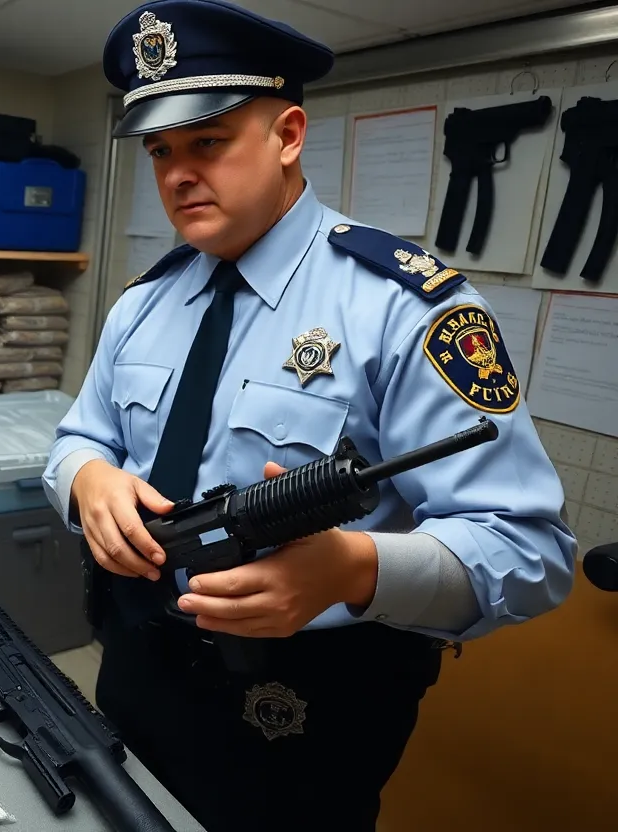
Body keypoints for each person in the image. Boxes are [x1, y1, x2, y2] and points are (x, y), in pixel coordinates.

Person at [41, 1, 578, 829]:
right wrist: (87, 478)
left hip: (303, 705)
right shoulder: (144, 304)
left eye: (207, 143)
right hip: (139, 658)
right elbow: (82, 434)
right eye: (160, 151)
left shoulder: (404, 308)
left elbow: (532, 550)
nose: (178, 173)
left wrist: (355, 570)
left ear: (287, 136)